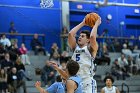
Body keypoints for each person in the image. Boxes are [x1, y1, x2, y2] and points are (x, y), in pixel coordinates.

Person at [68, 16, 101, 92]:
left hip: (87, 81)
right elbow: (70, 34)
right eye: (79, 36)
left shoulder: (90, 49)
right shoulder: (75, 48)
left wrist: (96, 24)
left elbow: (92, 36)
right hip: (75, 81)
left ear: (88, 40)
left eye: (82, 36)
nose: (79, 37)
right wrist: (83, 23)